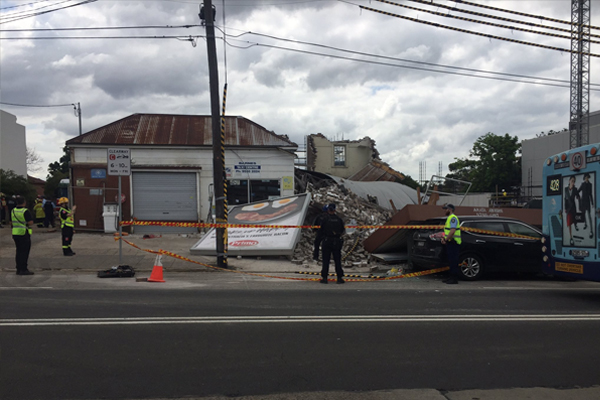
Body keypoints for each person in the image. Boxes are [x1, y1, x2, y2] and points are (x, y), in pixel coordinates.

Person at [319, 203, 345, 284]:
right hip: (336, 241)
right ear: (334, 210)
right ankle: (339, 278)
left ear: (328, 210)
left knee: (326, 260)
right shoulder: (339, 219)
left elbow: (321, 230)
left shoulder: (325, 219)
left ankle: (325, 278)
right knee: (337, 260)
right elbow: (342, 230)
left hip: (327, 241)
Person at [10, 196, 34, 275]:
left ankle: (18, 268)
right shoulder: (25, 211)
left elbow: (11, 223)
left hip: (15, 233)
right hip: (24, 233)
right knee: (24, 252)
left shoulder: (13, 210)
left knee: (18, 251)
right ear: (24, 202)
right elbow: (30, 222)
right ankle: (23, 269)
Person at [440, 203, 461, 284]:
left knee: (453, 261)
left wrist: (445, 239)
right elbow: (447, 231)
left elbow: (452, 231)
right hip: (450, 242)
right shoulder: (449, 218)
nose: (444, 210)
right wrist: (444, 238)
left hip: (454, 242)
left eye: (446, 209)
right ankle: (450, 277)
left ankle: (454, 278)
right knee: (450, 261)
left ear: (450, 209)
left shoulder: (453, 218)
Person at [564, 176, 580, 245]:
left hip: (573, 207)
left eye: (574, 181)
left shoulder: (575, 189)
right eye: (572, 181)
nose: (573, 182)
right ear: (569, 181)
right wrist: (565, 208)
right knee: (569, 223)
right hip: (568, 208)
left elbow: (578, 196)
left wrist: (578, 197)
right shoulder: (565, 189)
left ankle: (576, 225)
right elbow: (565, 199)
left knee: (574, 218)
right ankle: (571, 237)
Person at [579, 173, 594, 239]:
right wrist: (576, 195)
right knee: (583, 214)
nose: (586, 179)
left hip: (587, 202)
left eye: (587, 177)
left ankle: (591, 230)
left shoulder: (590, 185)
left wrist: (592, 203)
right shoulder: (582, 184)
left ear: (588, 178)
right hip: (583, 201)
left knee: (589, 215)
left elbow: (590, 194)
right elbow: (578, 190)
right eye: (585, 178)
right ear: (584, 178)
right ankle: (585, 224)